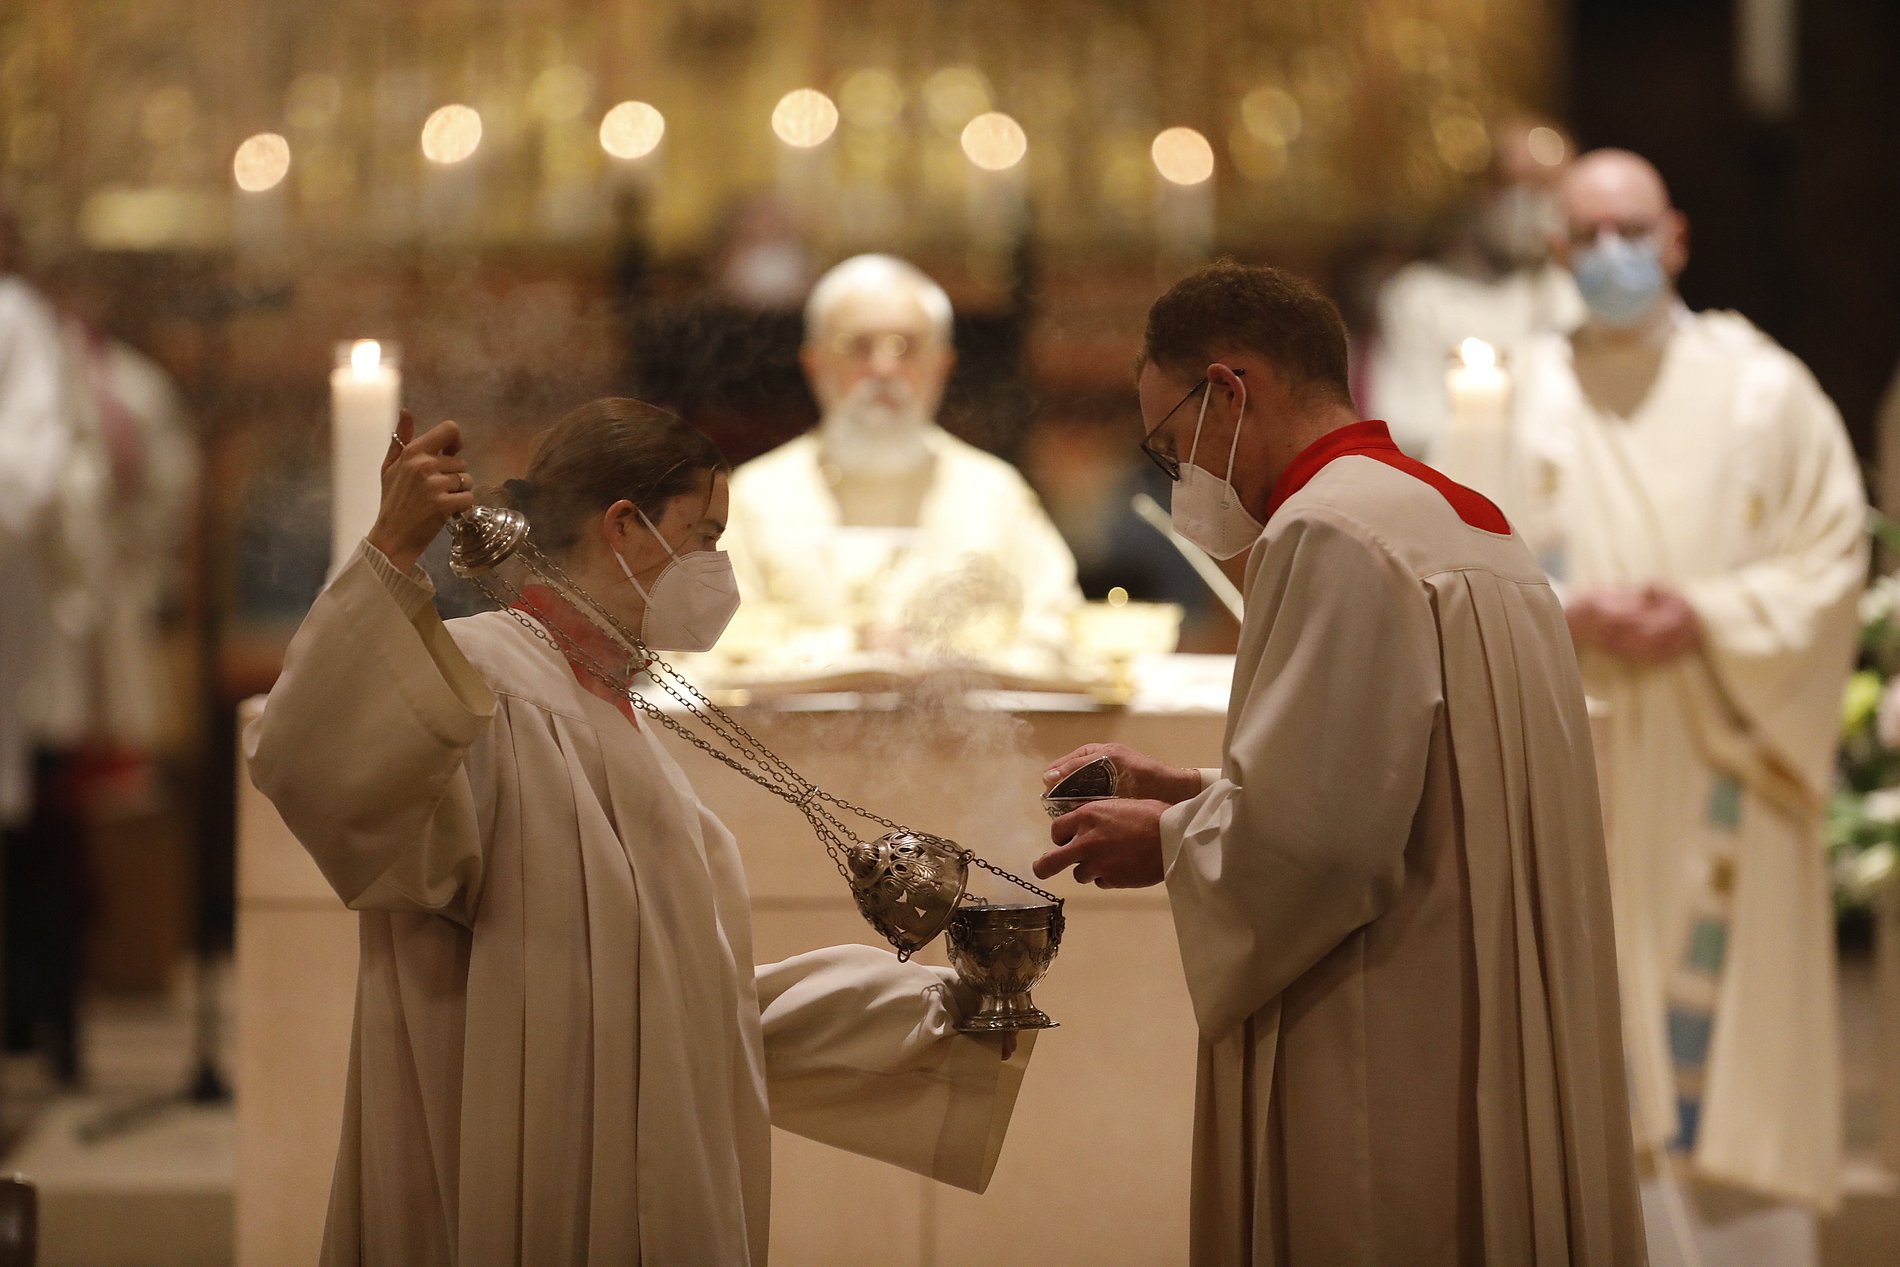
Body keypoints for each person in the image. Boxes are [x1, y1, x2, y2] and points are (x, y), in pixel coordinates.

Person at [245, 398, 1032, 1264]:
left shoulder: (617, 710)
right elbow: (316, 769)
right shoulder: (486, 681)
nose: (718, 568)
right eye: (703, 536)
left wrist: (935, 1014)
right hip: (530, 1163)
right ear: (624, 525)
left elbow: (683, 998)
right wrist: (390, 554)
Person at [1033, 260, 1645, 1265]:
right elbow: (1410, 780)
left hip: (1391, 1024)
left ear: (1230, 392)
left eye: (1173, 445)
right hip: (1489, 999)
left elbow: (1317, 849)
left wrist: (1172, 844)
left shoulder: (1326, 530)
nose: (1181, 477)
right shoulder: (1464, 522)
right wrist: (1191, 793)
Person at [1504, 149, 1866, 1266]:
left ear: (1674, 238)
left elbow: (1831, 561)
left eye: (1631, 231)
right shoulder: (1516, 392)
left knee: (1726, 1050)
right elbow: (1447, 570)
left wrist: (1703, 614)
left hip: (1725, 755)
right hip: (1577, 756)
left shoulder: (1765, 389)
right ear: (1559, 251)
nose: (1610, 254)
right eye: (1585, 236)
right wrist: (1562, 610)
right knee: (1585, 1040)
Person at [723, 253, 1082, 671]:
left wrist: (944, 659)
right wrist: (848, 648)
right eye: (858, 346)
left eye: (906, 347)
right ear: (814, 363)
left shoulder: (994, 493)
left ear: (942, 364)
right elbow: (709, 650)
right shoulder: (755, 497)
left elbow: (1061, 635)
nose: (883, 368)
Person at [1366, 116, 1583, 459]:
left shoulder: (1574, 295)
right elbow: (1404, 424)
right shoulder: (1420, 298)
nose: (1529, 203)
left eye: (1545, 188)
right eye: (1513, 184)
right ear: (1482, 190)